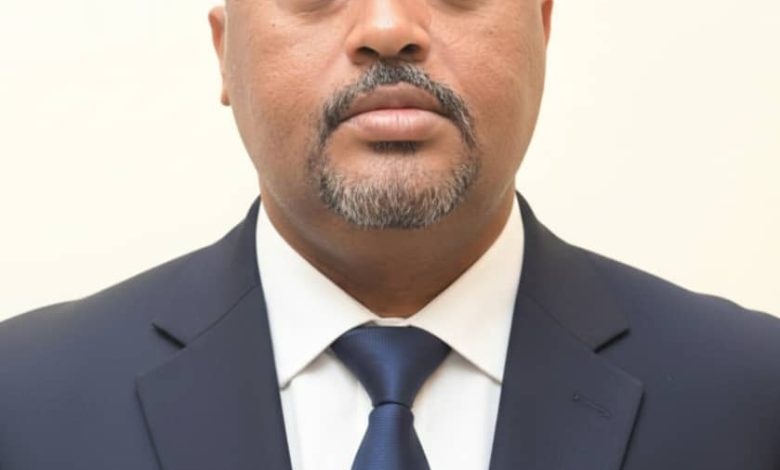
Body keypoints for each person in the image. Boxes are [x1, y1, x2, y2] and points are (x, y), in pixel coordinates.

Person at [0, 0, 778, 468]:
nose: (387, 27)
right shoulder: (22, 403)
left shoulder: (753, 395)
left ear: (542, 27)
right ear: (224, 52)